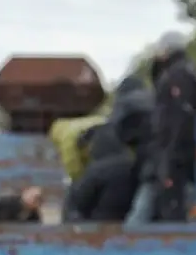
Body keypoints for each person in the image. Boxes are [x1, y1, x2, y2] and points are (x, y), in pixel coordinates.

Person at [126, 31, 196, 224]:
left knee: (164, 207)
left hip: (171, 154)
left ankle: (129, 240)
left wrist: (169, 158)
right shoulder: (186, 72)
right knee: (173, 205)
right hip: (175, 154)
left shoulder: (176, 76)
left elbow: (176, 119)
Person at [62, 76, 153, 222]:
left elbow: (75, 204)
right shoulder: (154, 105)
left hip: (100, 218)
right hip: (150, 171)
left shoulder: (117, 115)